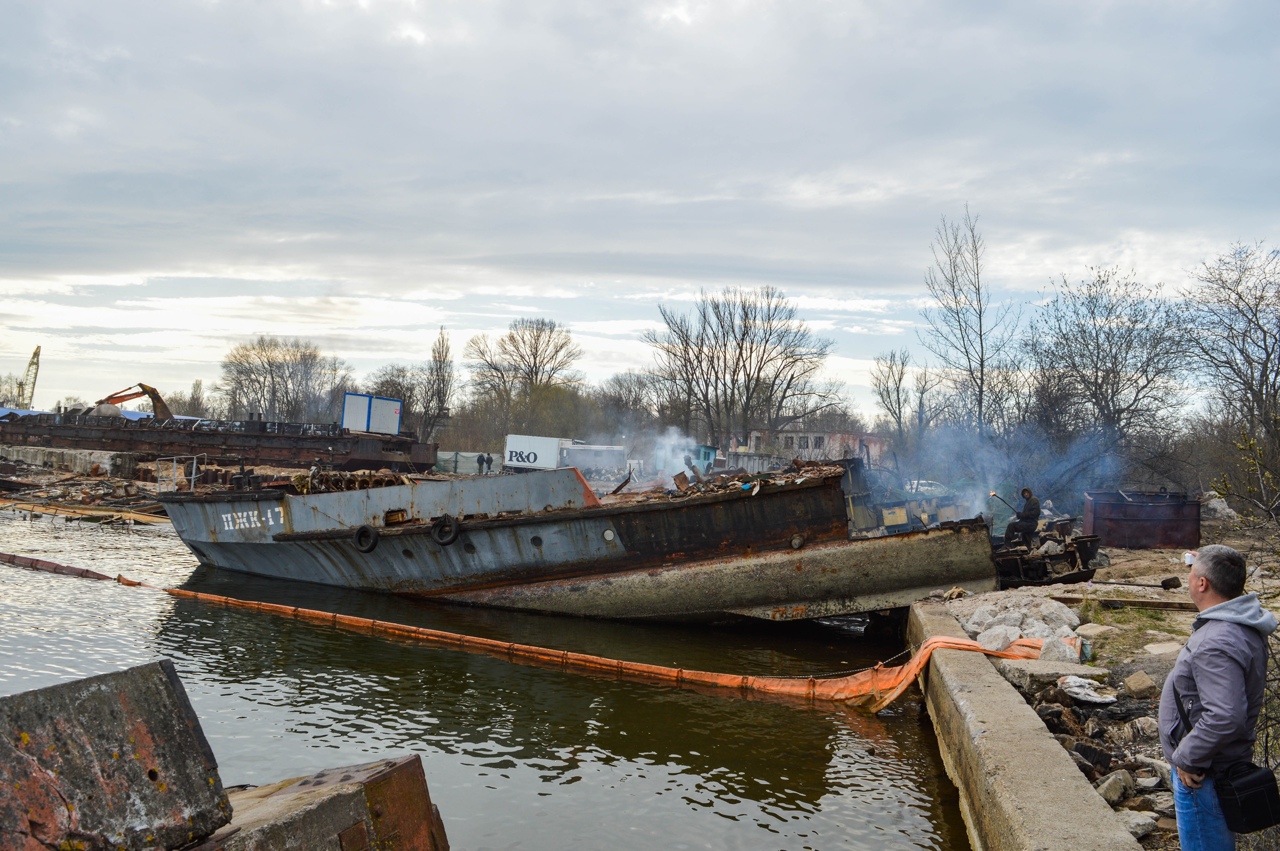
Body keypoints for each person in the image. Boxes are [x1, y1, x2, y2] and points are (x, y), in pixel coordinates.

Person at [1159, 545, 1277, 850]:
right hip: (1213, 769)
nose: (1188, 578)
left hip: (1201, 776)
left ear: (1202, 584)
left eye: (1193, 573)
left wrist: (1186, 757)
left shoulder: (1216, 641)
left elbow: (1225, 715)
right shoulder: (1240, 623)